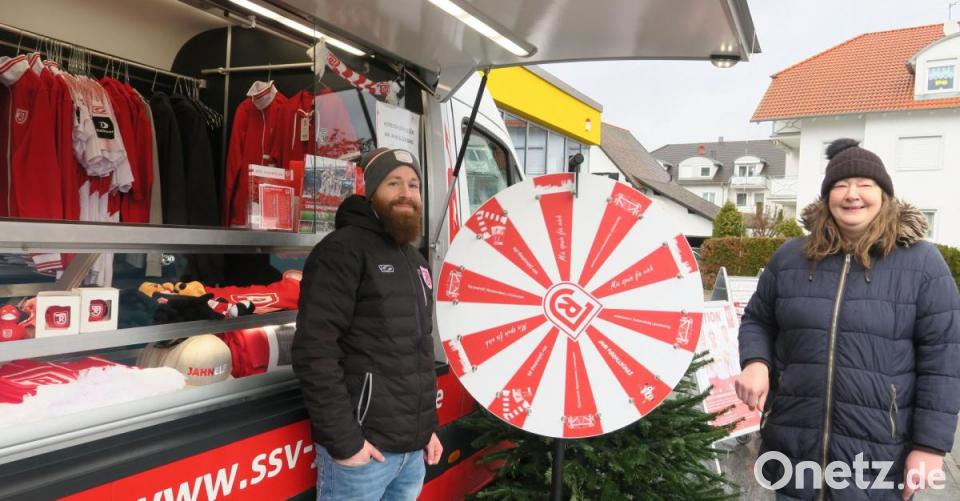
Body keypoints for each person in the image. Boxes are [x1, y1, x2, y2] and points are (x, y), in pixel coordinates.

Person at [735, 139, 960, 500]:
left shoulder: (922, 264)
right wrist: (756, 362)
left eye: (864, 184)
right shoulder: (790, 258)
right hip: (794, 447)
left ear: (883, 194)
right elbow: (758, 319)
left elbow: (945, 360)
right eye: (840, 185)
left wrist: (929, 447)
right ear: (827, 196)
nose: (852, 194)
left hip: (879, 455)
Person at [293, 147, 442, 501]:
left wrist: (425, 430)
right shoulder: (341, 251)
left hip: (412, 454)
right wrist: (346, 443)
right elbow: (315, 351)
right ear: (371, 191)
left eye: (413, 185)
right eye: (393, 183)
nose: (406, 193)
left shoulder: (415, 260)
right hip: (362, 456)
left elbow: (418, 351)